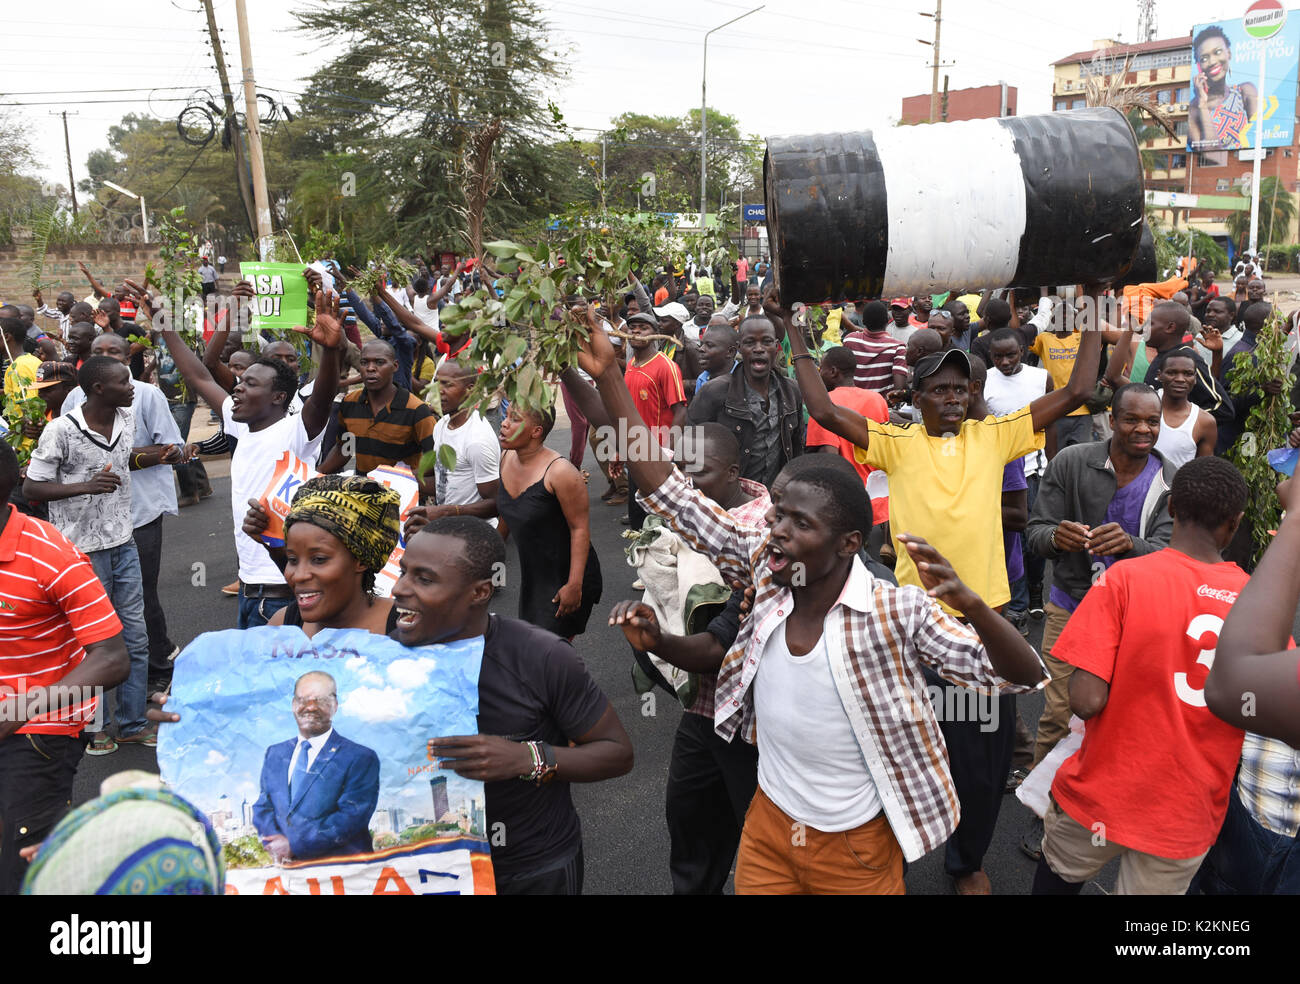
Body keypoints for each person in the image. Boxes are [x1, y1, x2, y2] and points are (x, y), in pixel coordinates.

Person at [581, 322, 1045, 893]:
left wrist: (973, 606)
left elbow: (1020, 676)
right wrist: (606, 373)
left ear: (849, 542)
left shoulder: (896, 612)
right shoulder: (764, 570)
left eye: (801, 524)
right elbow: (666, 488)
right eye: (777, 513)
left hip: (857, 848)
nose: (775, 531)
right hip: (769, 832)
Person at [787, 288, 1102, 616]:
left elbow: (1078, 390)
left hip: (985, 609)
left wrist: (1094, 301)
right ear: (918, 400)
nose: (953, 398)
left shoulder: (995, 436)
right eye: (940, 390)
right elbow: (825, 411)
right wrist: (792, 327)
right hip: (918, 610)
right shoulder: (897, 443)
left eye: (959, 389)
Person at [1032, 456, 1250, 895]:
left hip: (1103, 791)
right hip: (1185, 808)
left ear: (1170, 509)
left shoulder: (1123, 580)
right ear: (1235, 523)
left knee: (1060, 876)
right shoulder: (1253, 601)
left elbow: (1086, 701)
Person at [398, 516, 633, 894]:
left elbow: (617, 753)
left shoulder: (542, 657)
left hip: (530, 869)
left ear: (479, 592)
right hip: (427, 869)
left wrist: (527, 758)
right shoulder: (380, 657)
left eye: (424, 579)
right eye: (403, 572)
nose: (399, 588)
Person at [155, 287, 343, 627]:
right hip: (248, 587)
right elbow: (198, 375)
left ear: (278, 397)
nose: (238, 387)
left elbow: (324, 397)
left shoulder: (295, 432)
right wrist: (164, 323)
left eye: (250, 384)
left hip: (284, 593)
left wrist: (330, 351)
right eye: (240, 381)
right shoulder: (240, 425)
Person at [0, 440, 130, 895]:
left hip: (40, 729)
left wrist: (19, 711)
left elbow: (113, 659)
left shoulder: (48, 553)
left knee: (23, 868)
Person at [23, 357, 171, 755]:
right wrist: (84, 486)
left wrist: (160, 455)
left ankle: (132, 723)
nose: (132, 386)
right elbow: (33, 489)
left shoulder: (124, 419)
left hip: (123, 544)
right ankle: (95, 728)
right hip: (79, 554)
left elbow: (124, 460)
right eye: (123, 381)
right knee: (94, 646)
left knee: (135, 638)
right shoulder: (61, 430)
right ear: (98, 390)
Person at [62, 332, 187, 691]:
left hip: (139, 514)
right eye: (98, 352)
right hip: (92, 518)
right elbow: (69, 450)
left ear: (128, 357)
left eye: (113, 352)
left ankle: (158, 666)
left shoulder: (146, 395)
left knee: (142, 595)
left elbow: (171, 447)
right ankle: (115, 670)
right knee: (97, 597)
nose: (105, 357)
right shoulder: (75, 397)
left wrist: (126, 458)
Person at [242, 474, 403, 636]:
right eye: (292, 560)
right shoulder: (283, 626)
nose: (298, 576)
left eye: (318, 559)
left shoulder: (406, 629)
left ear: (361, 559)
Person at [497, 404, 602, 639]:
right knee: (535, 652)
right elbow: (506, 510)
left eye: (514, 419)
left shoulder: (561, 473)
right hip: (534, 577)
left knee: (546, 654)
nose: (504, 424)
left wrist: (575, 585)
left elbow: (580, 529)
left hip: (566, 577)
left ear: (536, 431)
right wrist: (491, 555)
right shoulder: (506, 457)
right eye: (506, 417)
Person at [252, 670, 381, 862]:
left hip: (344, 875)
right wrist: (276, 843)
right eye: (303, 699)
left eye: (320, 700)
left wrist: (294, 846)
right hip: (289, 877)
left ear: (335, 706)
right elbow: (263, 807)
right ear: (294, 705)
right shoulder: (274, 754)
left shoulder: (361, 757)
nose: (310, 707)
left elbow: (350, 819)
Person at [688, 314, 804, 490]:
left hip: (773, 501)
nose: (759, 349)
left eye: (766, 341)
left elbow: (796, 448)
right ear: (739, 348)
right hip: (728, 500)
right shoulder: (714, 392)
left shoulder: (791, 391)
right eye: (750, 342)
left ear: (776, 346)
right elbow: (689, 449)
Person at [984, 327, 1052, 614]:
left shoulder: (1040, 377)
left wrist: (1053, 460)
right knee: (1010, 542)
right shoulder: (984, 380)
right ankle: (1018, 607)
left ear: (1022, 351)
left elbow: (1052, 422)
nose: (1004, 362)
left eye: (1010, 355)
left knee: (1034, 541)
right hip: (1000, 473)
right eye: (998, 356)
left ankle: (1036, 589)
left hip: (1035, 470)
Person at [318, 338, 436, 495]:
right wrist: (316, 476)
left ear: (395, 366)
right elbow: (345, 448)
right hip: (360, 497)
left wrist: (397, 479)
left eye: (379, 362)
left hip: (400, 499)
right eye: (364, 362)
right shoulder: (350, 403)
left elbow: (434, 462)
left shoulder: (417, 410)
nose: (371, 368)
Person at [404, 361, 500, 530]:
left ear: (470, 389)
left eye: (447, 384)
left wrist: (446, 512)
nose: (438, 391)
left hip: (473, 535)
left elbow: (496, 504)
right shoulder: (442, 424)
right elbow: (445, 479)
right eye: (437, 383)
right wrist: (398, 479)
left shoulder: (477, 440)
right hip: (447, 529)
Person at [621, 310, 687, 530]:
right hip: (634, 452)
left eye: (643, 327)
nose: (636, 331)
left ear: (655, 334)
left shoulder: (666, 366)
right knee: (638, 521)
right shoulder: (631, 364)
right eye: (633, 328)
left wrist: (666, 453)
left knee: (660, 523)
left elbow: (680, 412)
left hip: (658, 457)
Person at [1189, 26, 1258, 151]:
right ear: (1199, 66)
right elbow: (1209, 152)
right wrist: (1203, 104)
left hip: (1249, 167)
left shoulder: (1245, 91)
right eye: (1204, 58)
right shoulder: (1194, 108)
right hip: (1215, 170)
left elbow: (1260, 138)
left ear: (1229, 53)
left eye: (1217, 52)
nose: (1212, 61)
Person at [841, 300, 908, 395]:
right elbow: (899, 388)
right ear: (888, 320)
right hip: (881, 406)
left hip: (853, 403)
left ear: (863, 321)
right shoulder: (897, 347)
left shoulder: (850, 340)